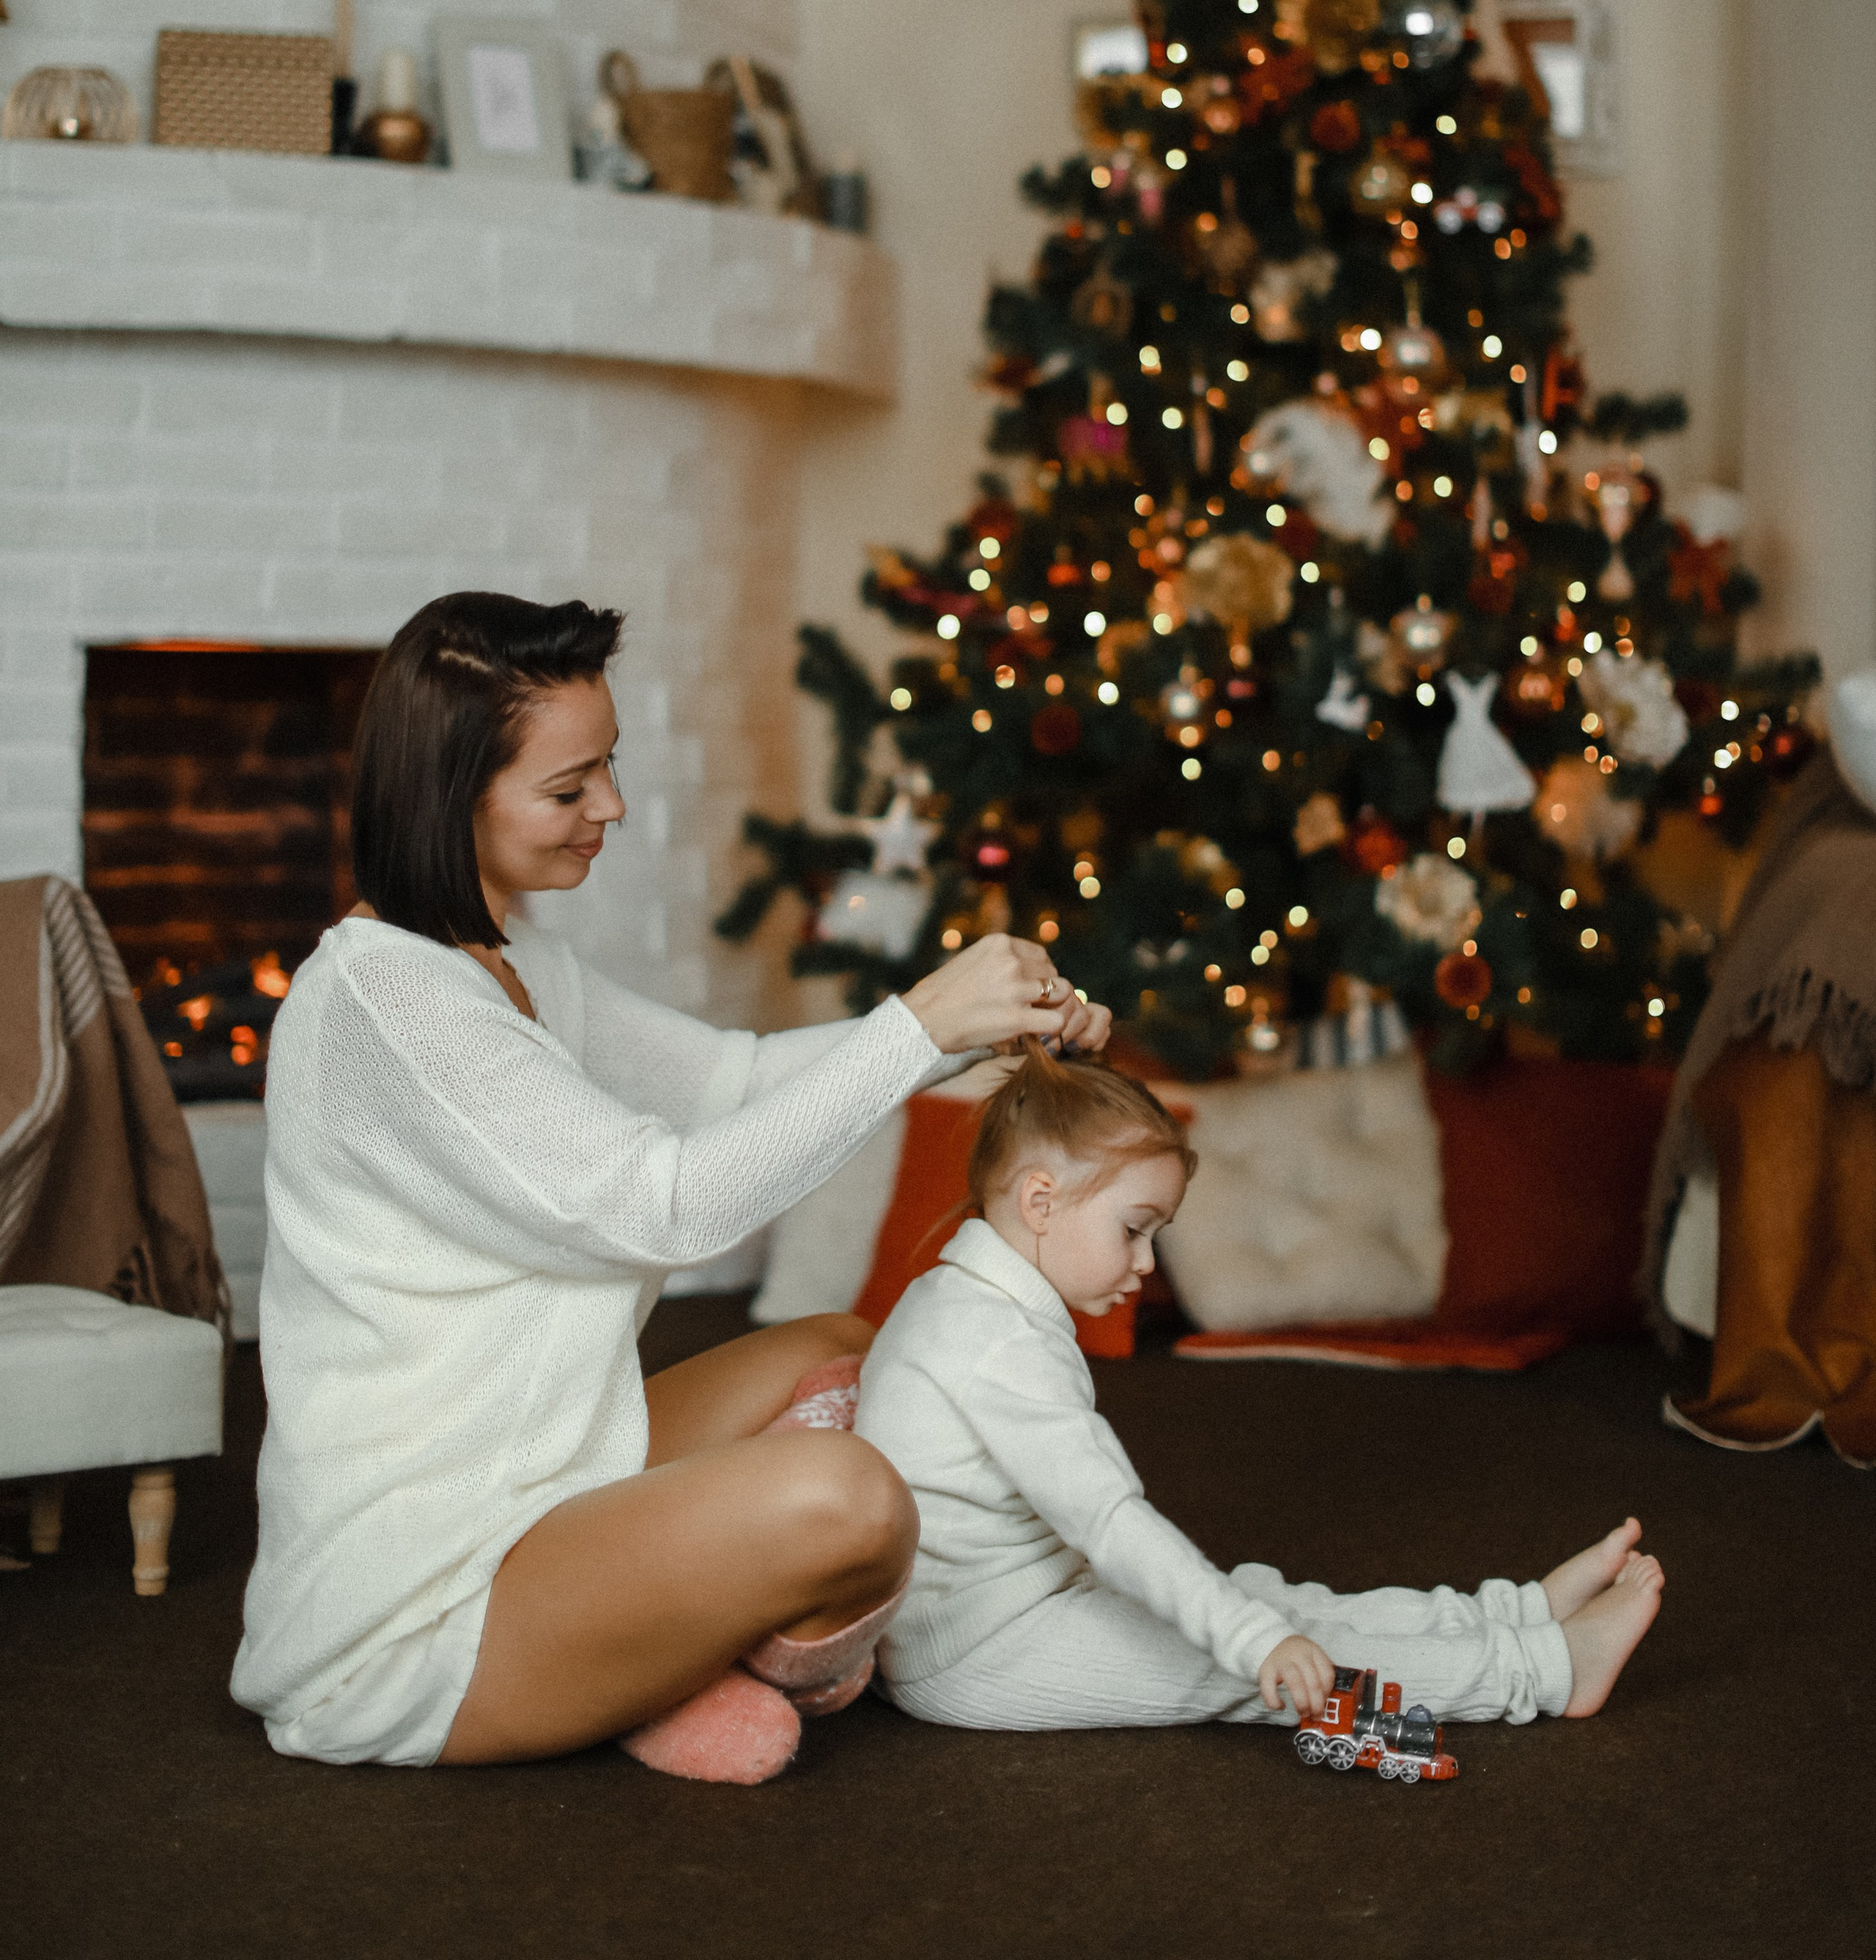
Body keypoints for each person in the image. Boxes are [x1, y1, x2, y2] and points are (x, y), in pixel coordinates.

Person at [232, 592, 1110, 1780]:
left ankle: (662, 1652)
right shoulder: (389, 1005)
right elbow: (671, 1205)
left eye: (610, 766)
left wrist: (973, 1036)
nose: (611, 806)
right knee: (852, 1499)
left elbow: (729, 1081)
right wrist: (915, 1027)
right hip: (417, 1601)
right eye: (569, 787)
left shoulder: (505, 960)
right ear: (453, 796)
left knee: (849, 1351)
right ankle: (672, 1652)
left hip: (548, 1474)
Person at [856, 1046, 1664, 1736]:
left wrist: (1252, 1621)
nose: (1145, 1262)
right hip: (977, 1650)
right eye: (1133, 1228)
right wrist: (1254, 1644)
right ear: (1040, 1201)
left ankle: (1511, 1614)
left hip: (1022, 1597)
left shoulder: (968, 1299)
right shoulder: (996, 1341)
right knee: (1250, 1664)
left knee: (1261, 1598)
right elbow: (1108, 1521)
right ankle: (1543, 1669)